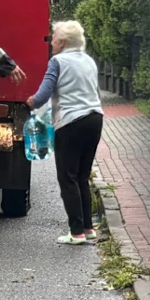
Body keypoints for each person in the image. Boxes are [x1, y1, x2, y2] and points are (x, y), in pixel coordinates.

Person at [27, 21, 104, 245]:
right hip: (95, 119)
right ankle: (88, 228)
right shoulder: (89, 61)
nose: (51, 41)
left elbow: (43, 94)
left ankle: (76, 232)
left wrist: (30, 102)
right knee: (82, 175)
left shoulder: (58, 61)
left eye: (53, 37)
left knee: (67, 177)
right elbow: (95, 91)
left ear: (61, 42)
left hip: (71, 123)